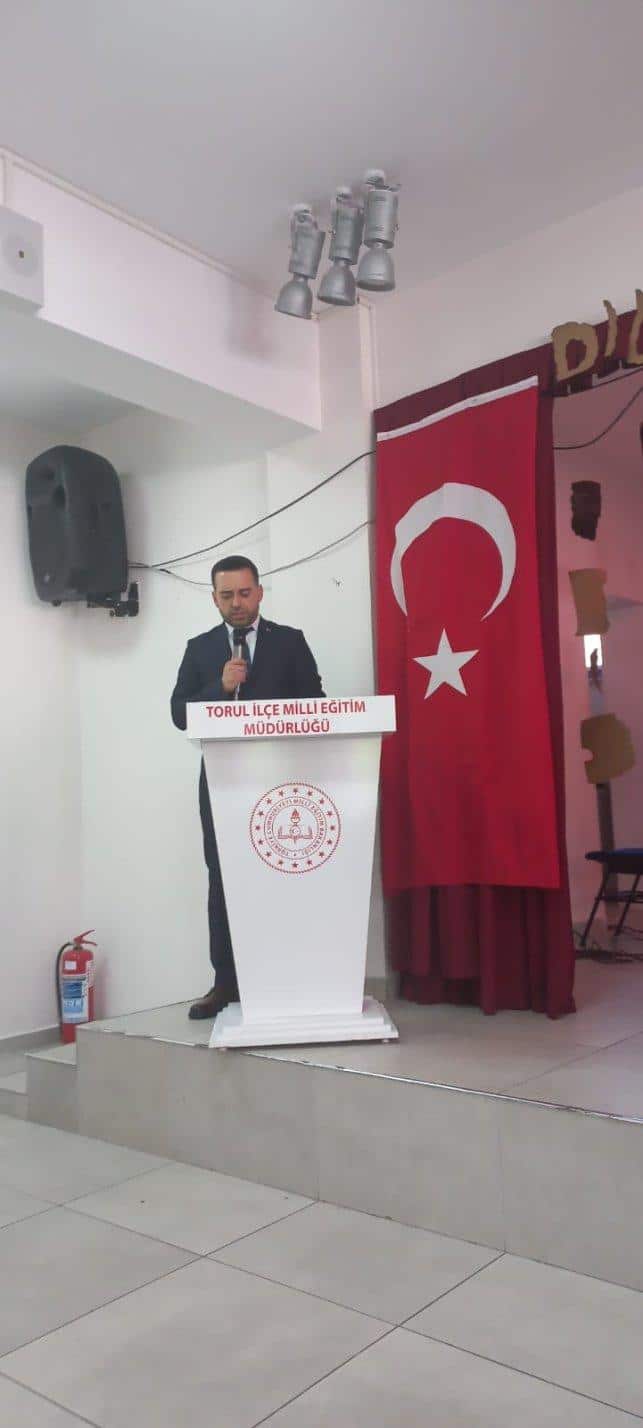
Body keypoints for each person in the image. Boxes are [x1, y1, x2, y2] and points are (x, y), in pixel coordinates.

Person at [171, 554, 325, 1019]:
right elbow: (179, 713)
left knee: (285, 875)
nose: (236, 603)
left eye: (243, 593)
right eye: (226, 595)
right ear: (214, 599)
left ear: (259, 592)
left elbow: (317, 704)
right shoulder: (200, 648)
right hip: (222, 782)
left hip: (282, 781)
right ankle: (227, 983)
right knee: (222, 879)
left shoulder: (290, 642)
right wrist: (219, 688)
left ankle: (289, 977)